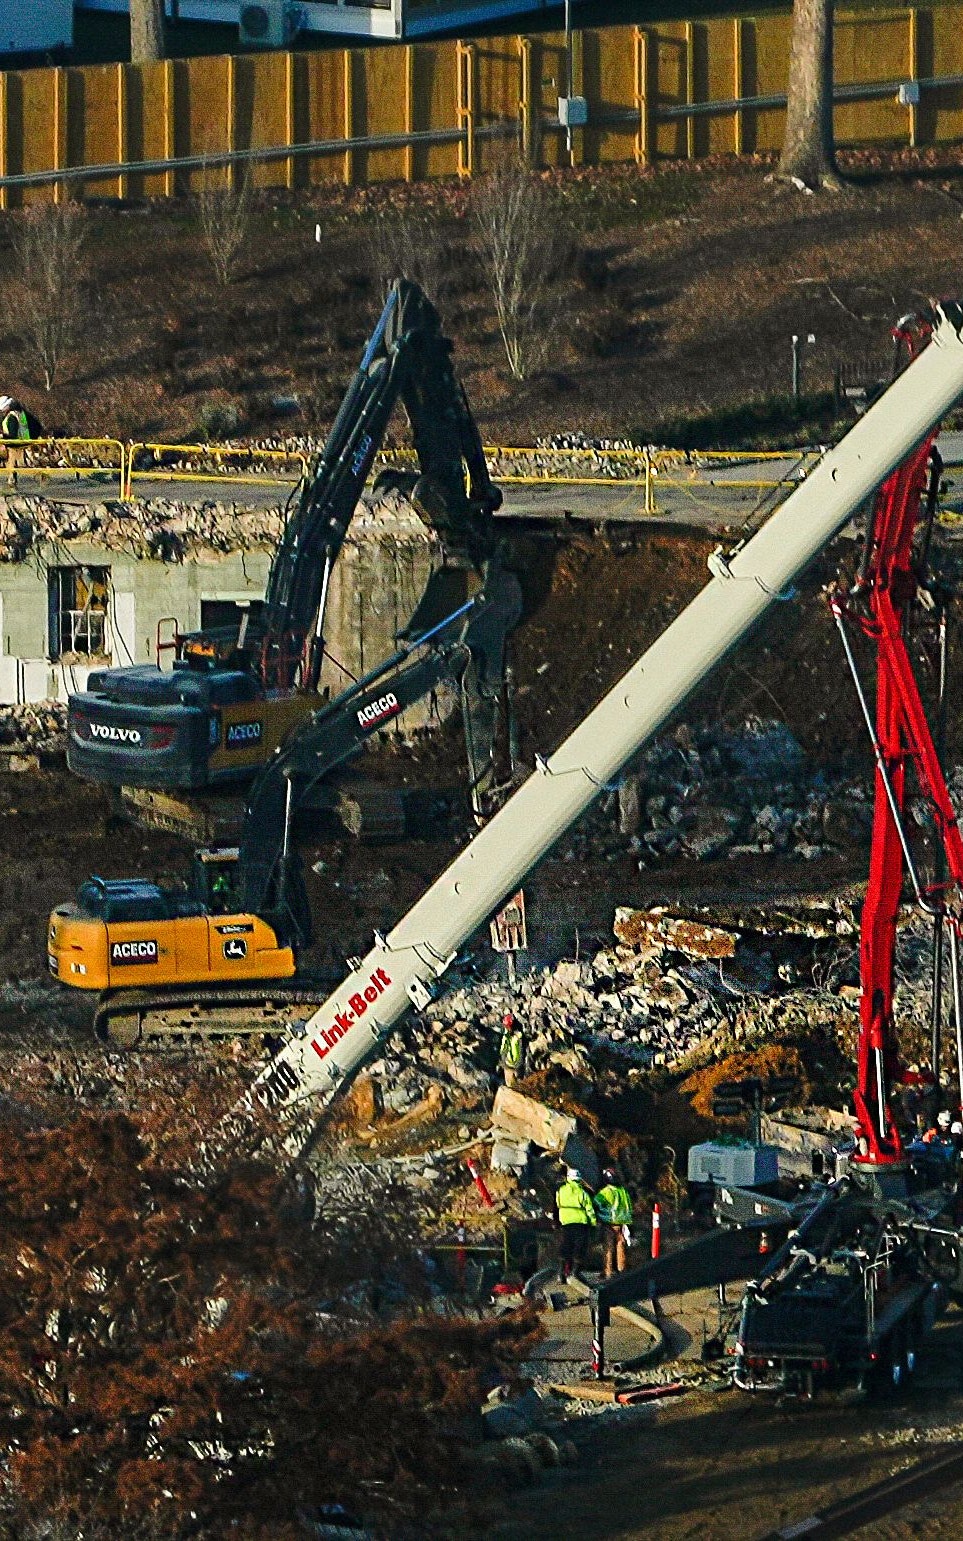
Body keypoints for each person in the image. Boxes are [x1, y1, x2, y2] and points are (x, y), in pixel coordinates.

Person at [555, 1166, 596, 1281]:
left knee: (566, 1246)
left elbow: (558, 1204)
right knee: (579, 1248)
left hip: (566, 1222)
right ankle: (575, 1273)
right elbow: (589, 1209)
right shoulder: (582, 1192)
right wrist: (593, 1222)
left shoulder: (561, 1190)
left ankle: (561, 1272)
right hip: (581, 1223)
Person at [594, 1167, 634, 1278]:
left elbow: (595, 1203)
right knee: (620, 1246)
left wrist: (599, 1215)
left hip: (609, 1223)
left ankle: (608, 1271)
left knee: (608, 1247)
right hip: (622, 1223)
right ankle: (622, 1270)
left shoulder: (606, 1192)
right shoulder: (623, 1191)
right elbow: (629, 1206)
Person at [0, 396, 41, 487]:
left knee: (10, 462)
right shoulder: (19, 413)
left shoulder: (11, 417)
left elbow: (12, 434)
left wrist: (3, 437)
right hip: (24, 442)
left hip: (16, 444)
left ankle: (12, 480)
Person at [498, 1010, 525, 1087]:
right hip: (508, 1065)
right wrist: (503, 1062)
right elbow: (503, 1049)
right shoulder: (506, 1036)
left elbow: (522, 1051)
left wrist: (519, 1065)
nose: (507, 1028)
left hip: (517, 1065)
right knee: (509, 1085)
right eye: (506, 1026)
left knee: (519, 1085)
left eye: (508, 1026)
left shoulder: (519, 1037)